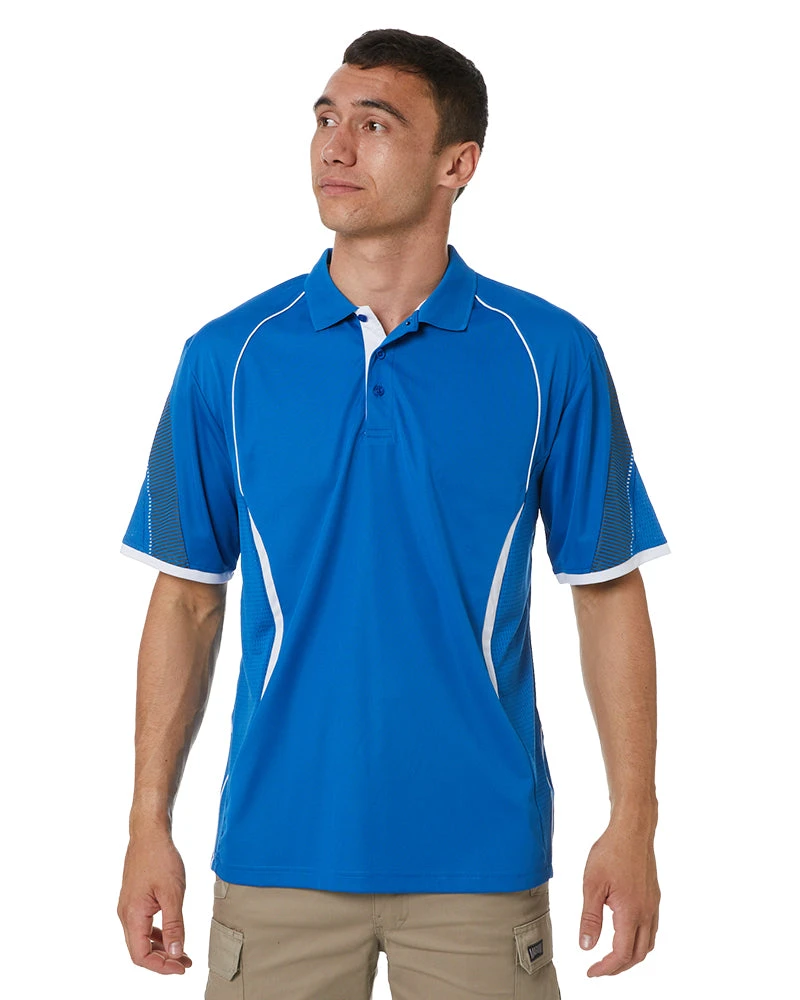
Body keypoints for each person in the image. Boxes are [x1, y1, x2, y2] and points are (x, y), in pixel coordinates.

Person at [117, 27, 669, 1000]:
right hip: (276, 850)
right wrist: (146, 823)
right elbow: (188, 598)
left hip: (481, 859)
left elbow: (605, 590)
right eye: (325, 119)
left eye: (374, 125)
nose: (335, 146)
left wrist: (632, 821)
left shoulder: (549, 355)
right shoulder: (226, 358)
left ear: (457, 164)